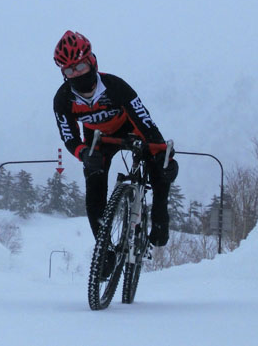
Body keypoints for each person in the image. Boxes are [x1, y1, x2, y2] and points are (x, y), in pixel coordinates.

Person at [52, 30, 178, 250]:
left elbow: (145, 122)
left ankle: (159, 219)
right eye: (70, 70)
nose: (77, 73)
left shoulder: (116, 86)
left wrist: (162, 156)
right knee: (94, 183)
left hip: (132, 128)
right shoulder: (63, 98)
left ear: (92, 62)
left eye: (80, 66)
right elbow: (69, 136)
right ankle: (104, 248)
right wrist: (82, 153)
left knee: (159, 170)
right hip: (98, 137)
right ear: (64, 73)